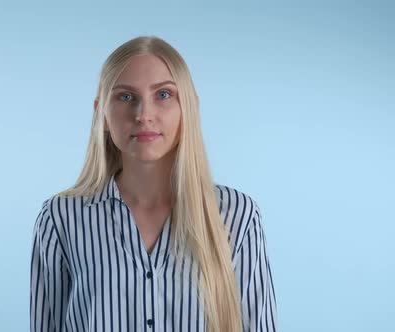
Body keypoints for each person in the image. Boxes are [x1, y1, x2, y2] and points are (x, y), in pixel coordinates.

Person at [30, 35, 278, 332]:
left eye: (163, 95)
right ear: (102, 113)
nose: (144, 115)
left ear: (190, 107)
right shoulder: (61, 219)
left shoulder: (237, 216)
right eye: (125, 96)